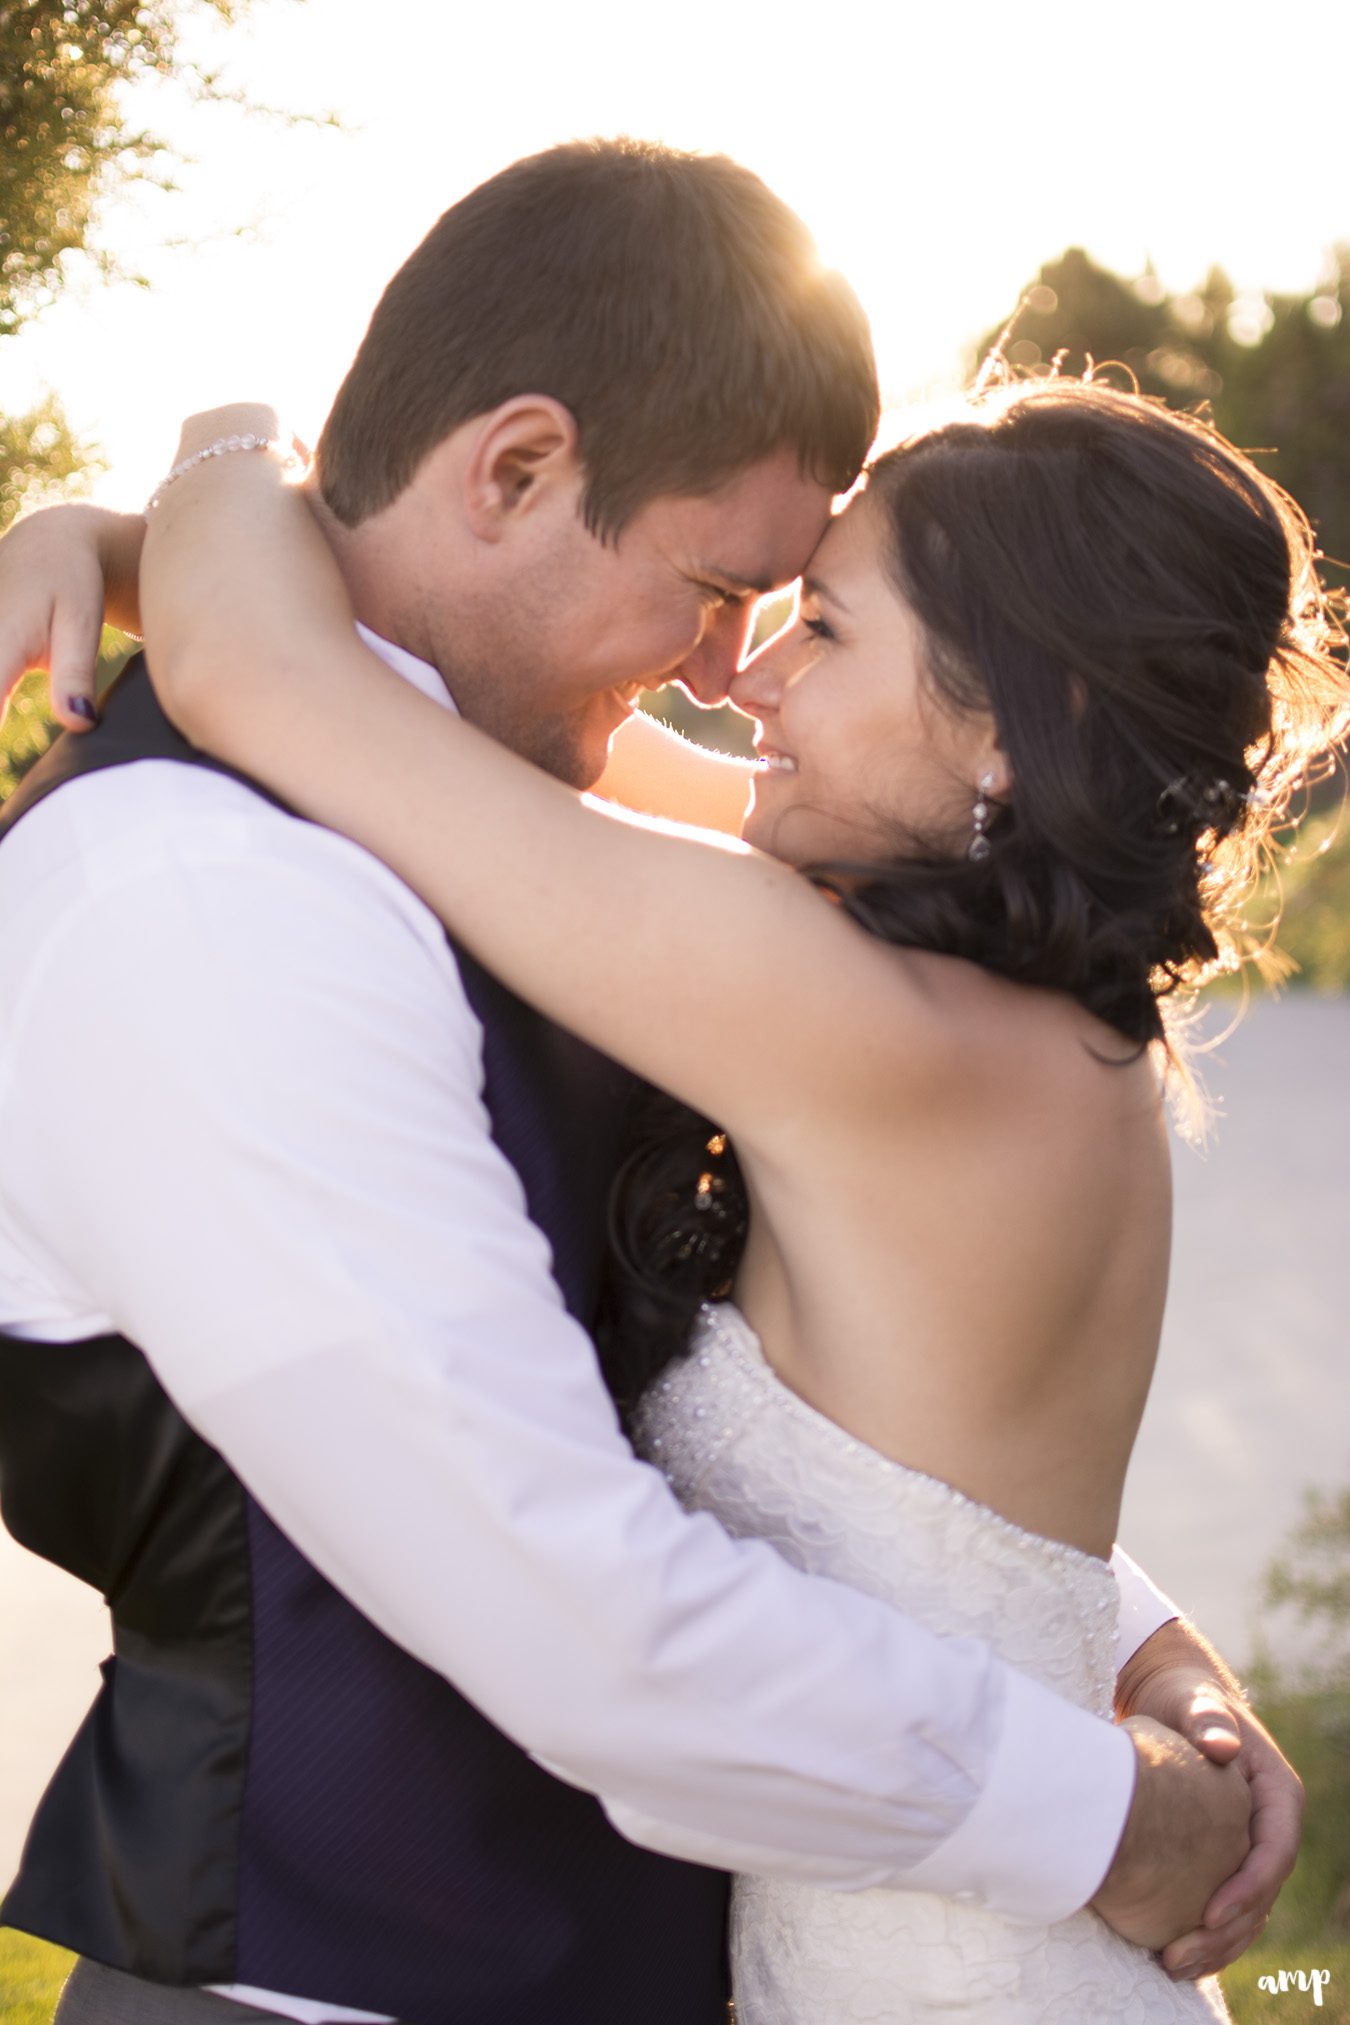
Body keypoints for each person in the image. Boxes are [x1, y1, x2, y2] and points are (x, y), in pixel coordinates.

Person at [0, 141, 1296, 2025]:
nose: (732, 673)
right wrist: (1111, 1799)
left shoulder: (674, 884)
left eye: (802, 615)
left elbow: (272, 659)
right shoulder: (199, 886)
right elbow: (594, 1608)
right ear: (516, 468)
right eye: (718, 587)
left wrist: (155, 511)